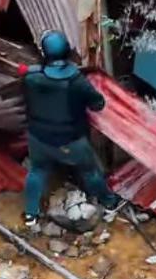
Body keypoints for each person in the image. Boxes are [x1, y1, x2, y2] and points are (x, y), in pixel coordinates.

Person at [20, 30, 124, 226]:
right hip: (70, 142)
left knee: (37, 171)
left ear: (44, 53)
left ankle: (30, 215)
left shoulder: (31, 79)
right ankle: (110, 203)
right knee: (90, 171)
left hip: (38, 139)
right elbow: (98, 104)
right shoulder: (77, 81)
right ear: (67, 51)